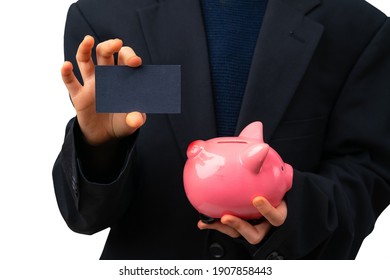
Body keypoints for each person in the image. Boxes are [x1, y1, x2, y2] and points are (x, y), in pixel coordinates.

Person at [53, 0, 390, 260]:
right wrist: (99, 145)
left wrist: (297, 213)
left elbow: (365, 176)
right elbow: (86, 218)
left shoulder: (357, 27)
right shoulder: (107, 15)